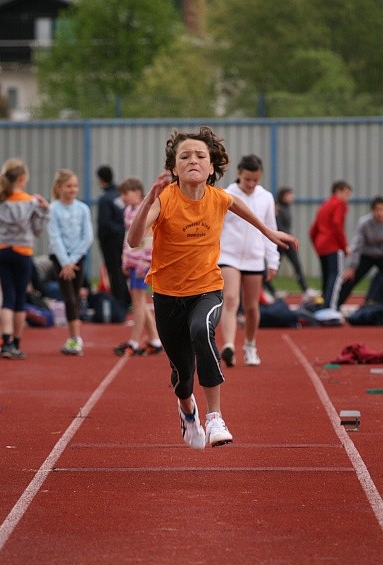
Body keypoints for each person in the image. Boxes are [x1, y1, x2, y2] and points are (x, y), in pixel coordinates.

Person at [127, 126, 298, 450]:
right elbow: (134, 240)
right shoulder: (165, 200)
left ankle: (215, 416)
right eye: (185, 156)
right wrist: (150, 196)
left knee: (202, 330)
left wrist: (269, 233)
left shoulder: (219, 198)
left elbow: (240, 208)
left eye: (200, 156)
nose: (193, 160)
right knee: (182, 376)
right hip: (166, 295)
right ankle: (187, 410)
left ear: (212, 165)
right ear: (174, 167)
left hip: (207, 288)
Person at [218, 154, 280, 368]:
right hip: (228, 256)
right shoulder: (226, 195)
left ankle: (250, 345)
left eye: (256, 180)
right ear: (238, 174)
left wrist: (273, 261)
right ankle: (228, 346)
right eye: (247, 180)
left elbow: (270, 229)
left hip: (254, 258)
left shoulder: (266, 198)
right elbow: (216, 228)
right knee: (231, 299)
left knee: (252, 307)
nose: (251, 184)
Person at [0, 157, 49, 359]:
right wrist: (45, 212)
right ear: (23, 178)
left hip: (3, 251)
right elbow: (37, 231)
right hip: (23, 253)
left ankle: (6, 342)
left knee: (6, 298)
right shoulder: (31, 202)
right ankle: (16, 343)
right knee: (19, 300)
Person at [113, 177, 162, 357]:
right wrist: (125, 260)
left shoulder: (145, 211)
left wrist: (144, 262)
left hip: (142, 262)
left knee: (138, 302)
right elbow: (128, 238)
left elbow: (149, 239)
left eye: (126, 194)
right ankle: (155, 339)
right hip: (133, 261)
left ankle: (133, 342)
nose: (123, 198)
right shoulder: (128, 211)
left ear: (137, 192)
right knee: (139, 301)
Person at [48, 168, 93, 356]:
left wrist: (73, 259)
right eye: (68, 186)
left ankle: (75, 338)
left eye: (75, 186)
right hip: (60, 258)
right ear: (59, 188)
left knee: (75, 295)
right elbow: (54, 236)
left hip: (77, 258)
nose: (73, 189)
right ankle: (75, 338)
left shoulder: (82, 208)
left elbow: (87, 236)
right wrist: (65, 262)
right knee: (69, 297)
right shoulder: (53, 209)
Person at [309, 180, 352, 310]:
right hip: (333, 245)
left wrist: (317, 246)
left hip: (321, 245)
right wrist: (344, 247)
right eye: (346, 193)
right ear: (338, 191)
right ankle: (330, 308)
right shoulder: (339, 204)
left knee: (327, 277)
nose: (348, 198)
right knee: (336, 276)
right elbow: (337, 225)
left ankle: (323, 305)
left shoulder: (325, 205)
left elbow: (312, 230)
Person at [96, 165, 131, 311]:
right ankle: (127, 299)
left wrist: (101, 237)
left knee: (114, 270)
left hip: (110, 240)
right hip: (122, 237)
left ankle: (120, 301)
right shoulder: (119, 195)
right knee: (120, 269)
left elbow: (104, 223)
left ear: (101, 179)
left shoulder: (105, 199)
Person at [337, 195, 383, 307]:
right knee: (349, 278)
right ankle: (334, 305)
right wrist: (352, 267)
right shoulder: (364, 223)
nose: (380, 213)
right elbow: (357, 245)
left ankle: (374, 305)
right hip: (366, 255)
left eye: (382, 210)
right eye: (377, 210)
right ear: (372, 210)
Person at [275, 187, 318, 303]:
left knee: (297, 265)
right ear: (283, 196)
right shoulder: (278, 208)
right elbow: (277, 226)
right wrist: (287, 236)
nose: (291, 197)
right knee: (274, 267)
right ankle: (267, 289)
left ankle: (305, 290)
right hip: (281, 242)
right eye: (289, 195)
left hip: (288, 242)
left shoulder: (287, 208)